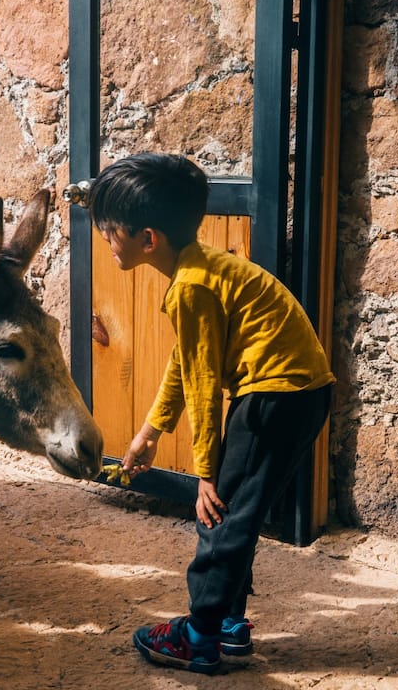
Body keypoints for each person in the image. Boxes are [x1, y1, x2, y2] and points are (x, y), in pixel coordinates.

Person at [88, 153, 335, 675]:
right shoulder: (198, 269)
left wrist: (204, 474)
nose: (106, 240)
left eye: (110, 231)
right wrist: (149, 432)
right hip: (292, 394)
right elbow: (188, 359)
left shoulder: (193, 286)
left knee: (219, 512)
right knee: (238, 509)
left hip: (274, 397)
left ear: (148, 238)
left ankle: (198, 635)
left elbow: (203, 387)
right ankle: (227, 622)